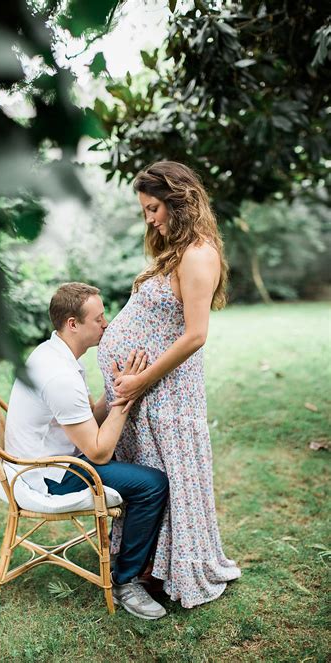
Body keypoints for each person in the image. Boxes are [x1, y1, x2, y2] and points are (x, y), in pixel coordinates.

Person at [97, 161, 241, 609]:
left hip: (166, 394)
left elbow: (195, 334)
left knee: (170, 481)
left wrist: (141, 380)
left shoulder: (199, 254)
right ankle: (145, 567)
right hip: (144, 396)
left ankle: (167, 569)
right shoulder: (175, 252)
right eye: (145, 210)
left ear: (179, 200)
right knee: (151, 479)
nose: (150, 218)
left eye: (154, 207)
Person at [4, 282, 170, 620]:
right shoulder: (59, 376)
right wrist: (126, 397)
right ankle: (126, 581)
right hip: (49, 477)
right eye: (98, 319)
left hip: (52, 460)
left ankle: (150, 558)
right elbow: (98, 452)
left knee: (136, 464)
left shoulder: (52, 354)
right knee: (153, 484)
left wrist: (116, 387)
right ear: (72, 324)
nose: (106, 324)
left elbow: (86, 422)